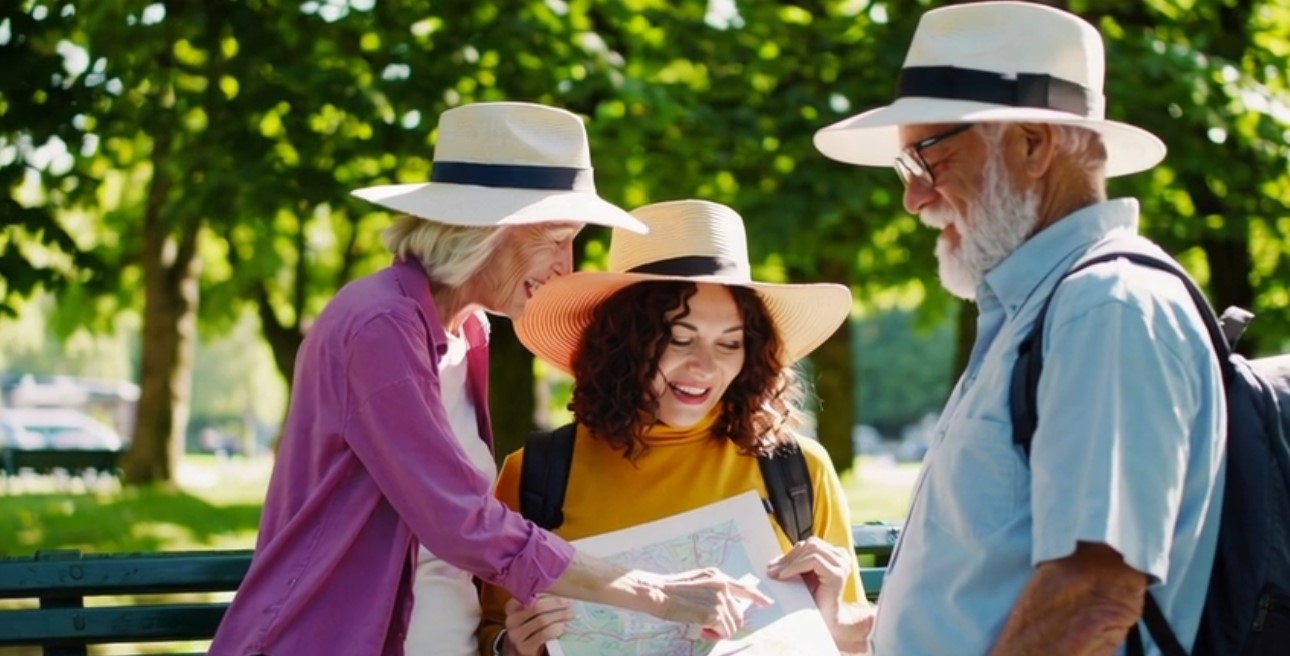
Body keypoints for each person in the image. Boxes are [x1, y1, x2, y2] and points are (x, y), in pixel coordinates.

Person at [208, 103, 769, 656]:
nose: (566, 266)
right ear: (482, 231)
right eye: (555, 238)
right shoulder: (381, 325)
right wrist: (661, 594)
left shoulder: (468, 330)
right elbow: (462, 523)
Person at [812, 3, 1226, 655]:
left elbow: (1091, 600)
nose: (913, 198)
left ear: (1032, 144)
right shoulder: (1046, 307)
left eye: (927, 159)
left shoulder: (1105, 306)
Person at [475, 199, 875, 656]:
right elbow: (488, 631)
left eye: (730, 344)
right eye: (679, 339)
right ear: (624, 344)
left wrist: (839, 624)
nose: (704, 367)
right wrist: (513, 646)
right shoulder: (537, 474)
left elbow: (852, 641)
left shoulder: (797, 469)